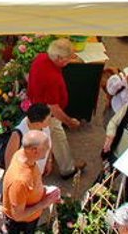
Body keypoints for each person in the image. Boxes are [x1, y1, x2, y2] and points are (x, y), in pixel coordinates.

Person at [27, 38, 86, 179]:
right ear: (58, 58)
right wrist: (69, 122)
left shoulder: (42, 58)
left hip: (36, 104)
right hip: (47, 114)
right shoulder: (52, 78)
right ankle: (67, 169)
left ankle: (51, 162)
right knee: (59, 138)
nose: (69, 61)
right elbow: (53, 108)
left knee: (50, 137)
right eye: (67, 59)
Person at [2, 130, 60, 233]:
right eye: (46, 147)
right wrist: (44, 203)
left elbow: (31, 185)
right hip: (21, 225)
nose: (48, 149)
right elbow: (18, 216)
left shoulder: (22, 155)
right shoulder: (20, 181)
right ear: (34, 150)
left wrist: (45, 191)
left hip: (29, 218)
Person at [3, 103, 54, 175]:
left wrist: (49, 161)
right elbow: (9, 159)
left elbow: (49, 144)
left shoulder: (45, 126)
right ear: (38, 124)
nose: (51, 121)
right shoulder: (18, 134)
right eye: (48, 119)